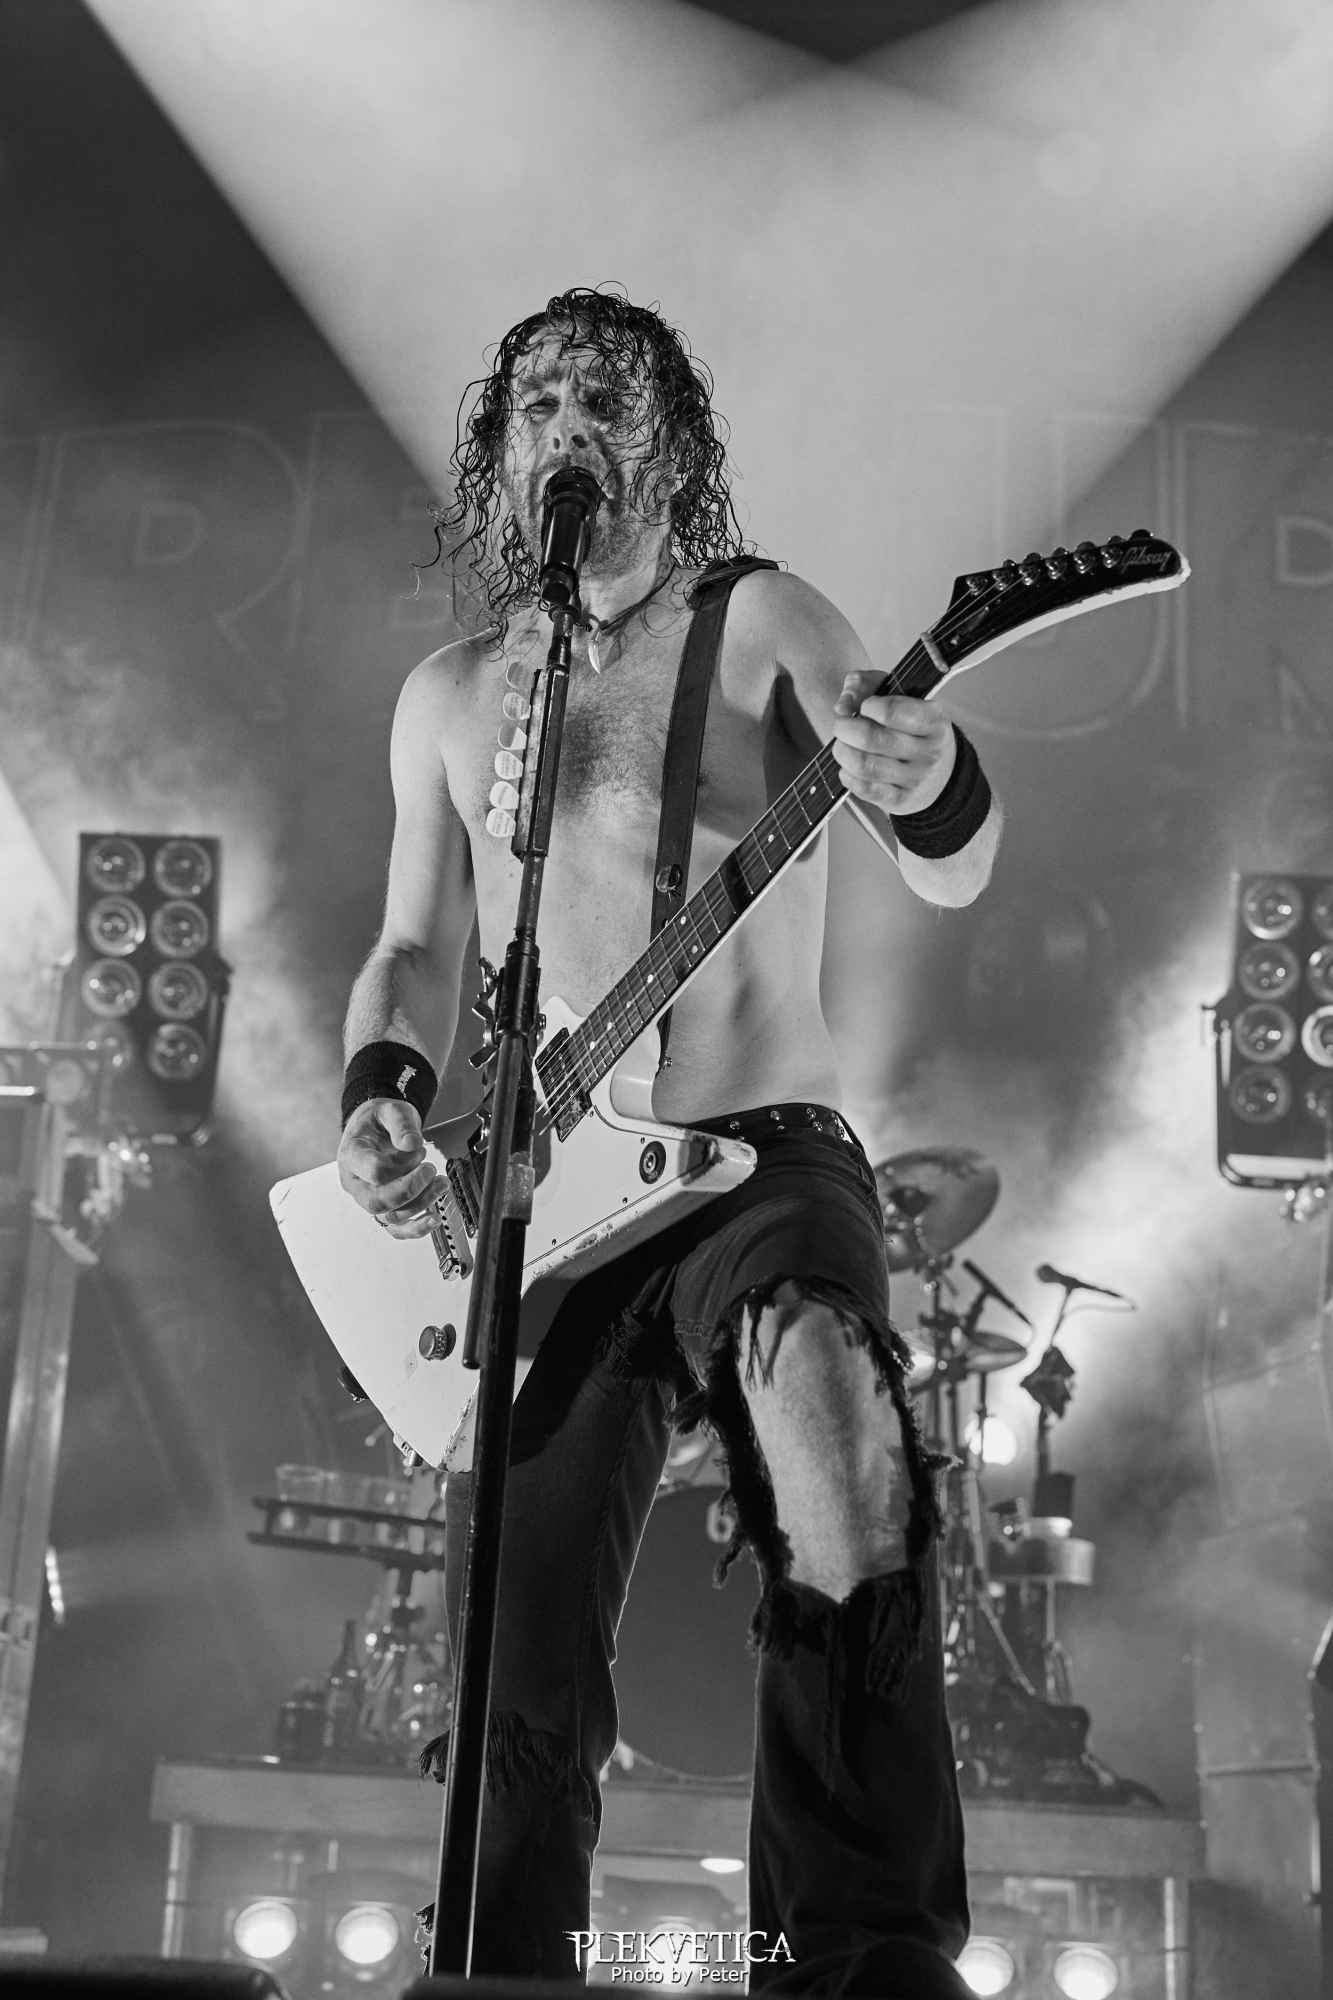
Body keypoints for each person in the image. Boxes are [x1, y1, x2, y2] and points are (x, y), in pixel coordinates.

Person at [336, 285, 1001, 1996]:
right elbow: (411, 946)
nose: (570, 426)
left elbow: (946, 856)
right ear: (501, 456)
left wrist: (925, 774)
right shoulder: (450, 696)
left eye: (607, 400)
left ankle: (858, 1952)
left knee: (837, 1442)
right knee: (514, 1642)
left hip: (761, 1156)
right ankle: (502, 1965)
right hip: (547, 1199)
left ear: (673, 444)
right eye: (540, 405)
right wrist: (380, 1096)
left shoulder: (763, 620)